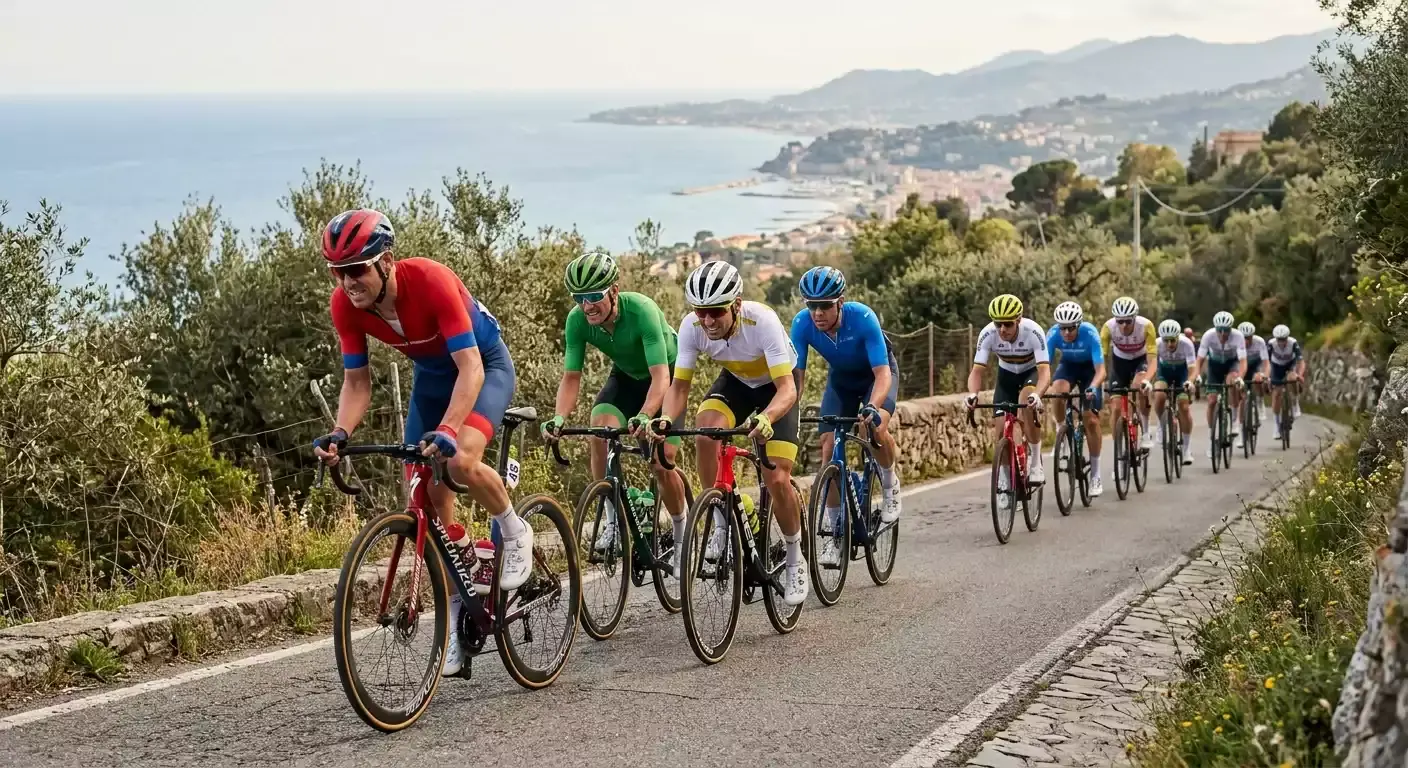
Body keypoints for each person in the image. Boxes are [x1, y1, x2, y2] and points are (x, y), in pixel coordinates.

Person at [310, 208, 526, 677]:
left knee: (460, 461)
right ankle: (458, 607)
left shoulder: (430, 279)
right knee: (423, 497)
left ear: (386, 262)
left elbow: (470, 366)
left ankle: (513, 528)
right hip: (431, 381)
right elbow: (357, 382)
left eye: (355, 269)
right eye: (337, 272)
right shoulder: (345, 305)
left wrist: (449, 429)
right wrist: (341, 434)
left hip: (482, 368)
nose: (347, 282)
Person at [652, 260, 809, 605]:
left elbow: (787, 389)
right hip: (737, 383)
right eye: (700, 311)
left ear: (736, 305)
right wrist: (665, 419)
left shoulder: (762, 321)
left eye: (716, 312)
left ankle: (796, 556)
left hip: (777, 388)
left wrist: (767, 417)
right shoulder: (693, 327)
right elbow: (679, 387)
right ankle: (722, 513)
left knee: (777, 478)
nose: (707, 321)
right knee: (706, 431)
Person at [541, 250, 688, 570]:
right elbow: (571, 377)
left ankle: (681, 536)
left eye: (594, 295)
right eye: (579, 297)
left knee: (663, 463)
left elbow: (661, 377)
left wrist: (647, 415)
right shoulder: (577, 320)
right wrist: (559, 418)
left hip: (667, 376)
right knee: (599, 429)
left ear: (614, 291)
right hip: (625, 378)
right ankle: (612, 521)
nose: (587, 304)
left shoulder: (642, 311)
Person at [790, 266, 902, 568]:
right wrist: (788, 409)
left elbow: (882, 375)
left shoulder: (863, 317)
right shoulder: (801, 324)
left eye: (824, 305)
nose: (817, 313)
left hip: (876, 378)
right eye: (811, 305)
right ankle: (837, 535)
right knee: (827, 448)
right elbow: (795, 381)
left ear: (840, 302)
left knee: (876, 428)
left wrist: (873, 407)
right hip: (840, 382)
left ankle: (890, 485)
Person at [964, 294, 1051, 505]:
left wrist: (1037, 395)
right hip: (1006, 377)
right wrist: (973, 394)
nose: (1002, 329)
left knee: (1026, 404)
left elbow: (1045, 374)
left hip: (1029, 373)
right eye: (998, 324)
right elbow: (977, 372)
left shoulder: (1034, 332)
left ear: (1018, 320)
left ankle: (1036, 463)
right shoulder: (988, 335)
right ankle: (1005, 481)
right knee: (1001, 429)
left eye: (1008, 324)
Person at [1044, 301, 1106, 496]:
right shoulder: (1053, 334)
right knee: (1057, 390)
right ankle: (1061, 427)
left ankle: (1095, 474)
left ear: (1078, 325)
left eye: (1071, 328)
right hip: (1068, 366)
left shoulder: (1090, 334)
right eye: (1063, 328)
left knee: (1091, 420)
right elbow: (1044, 366)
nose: (1067, 333)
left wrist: (1093, 387)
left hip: (1090, 370)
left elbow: (1101, 371)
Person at [1100, 296, 1158, 451]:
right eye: (1120, 321)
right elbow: (1101, 359)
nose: (1124, 325)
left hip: (1141, 360)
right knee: (1116, 407)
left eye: (1128, 321)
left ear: (1135, 318)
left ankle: (1145, 432)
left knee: (1140, 386)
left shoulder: (1146, 326)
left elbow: (1153, 360)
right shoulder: (1108, 328)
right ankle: (1118, 451)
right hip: (1120, 363)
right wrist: (1099, 379)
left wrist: (1148, 379)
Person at [1190, 311, 1248, 459]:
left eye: (1226, 330)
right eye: (1220, 330)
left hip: (1231, 364)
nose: (1223, 334)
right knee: (1212, 401)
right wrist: (1196, 374)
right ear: (1215, 328)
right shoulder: (1208, 336)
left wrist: (1240, 377)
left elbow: (1242, 361)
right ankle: (1212, 438)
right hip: (1214, 366)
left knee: (1232, 381)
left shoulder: (1238, 336)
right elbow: (1200, 359)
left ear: (1231, 329)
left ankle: (1234, 420)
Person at [1153, 319, 1197, 465]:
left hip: (1182, 374)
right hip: (1164, 372)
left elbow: (1192, 368)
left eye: (1173, 340)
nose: (1170, 344)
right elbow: (1152, 365)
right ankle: (1161, 423)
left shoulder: (1187, 344)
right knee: (1159, 394)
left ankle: (1187, 448)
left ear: (1178, 337)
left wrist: (1190, 381)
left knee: (1184, 407)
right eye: (1166, 341)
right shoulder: (1157, 344)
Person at [1237, 321, 1271, 447]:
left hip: (1255, 366)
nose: (1246, 341)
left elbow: (1266, 363)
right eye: (1244, 338)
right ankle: (1241, 434)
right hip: (1241, 368)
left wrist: (1265, 376)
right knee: (1242, 400)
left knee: (1258, 378)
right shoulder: (1236, 343)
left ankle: (1260, 401)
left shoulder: (1260, 342)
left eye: (1249, 338)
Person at [1268, 324, 1306, 434]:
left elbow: (1301, 361)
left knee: (1292, 378)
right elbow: (1266, 361)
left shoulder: (1293, 343)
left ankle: (1295, 403)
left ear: (1287, 338)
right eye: (1279, 339)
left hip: (1290, 365)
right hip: (1276, 366)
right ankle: (1276, 424)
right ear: (1276, 339)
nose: (1281, 342)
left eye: (1284, 339)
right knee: (1276, 395)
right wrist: (1268, 377)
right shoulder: (1271, 344)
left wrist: (1300, 375)